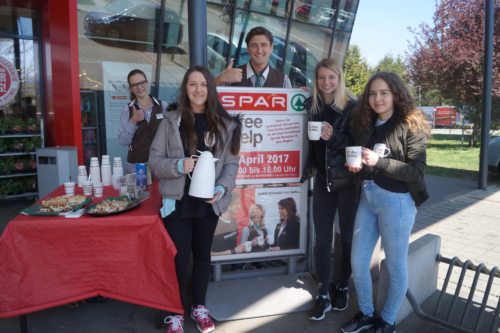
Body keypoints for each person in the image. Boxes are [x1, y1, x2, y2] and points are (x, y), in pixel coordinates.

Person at [149, 66, 242, 333]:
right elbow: (154, 162)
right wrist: (179, 166)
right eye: (193, 84)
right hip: (176, 201)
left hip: (209, 203)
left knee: (202, 256)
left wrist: (222, 189)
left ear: (210, 89)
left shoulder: (226, 124)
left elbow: (232, 165)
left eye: (203, 84)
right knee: (178, 258)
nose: (198, 89)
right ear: (185, 88)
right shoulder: (170, 121)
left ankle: (199, 306)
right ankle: (174, 311)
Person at [341, 72, 430, 333]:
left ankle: (387, 321)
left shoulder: (409, 125)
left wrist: (379, 162)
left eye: (383, 93)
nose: (377, 98)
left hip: (398, 202)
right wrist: (357, 168)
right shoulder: (365, 123)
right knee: (357, 261)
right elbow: (363, 160)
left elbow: (416, 172)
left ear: (395, 94)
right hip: (367, 198)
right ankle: (366, 313)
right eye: (372, 93)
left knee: (394, 264)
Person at [301, 58, 358, 321]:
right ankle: (323, 293)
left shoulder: (353, 106)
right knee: (322, 240)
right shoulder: (312, 105)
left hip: (346, 183)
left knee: (345, 239)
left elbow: (357, 145)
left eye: (331, 77)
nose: (326, 83)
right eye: (321, 78)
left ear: (340, 77)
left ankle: (342, 285)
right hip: (323, 181)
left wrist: (332, 136)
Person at [118, 69, 168, 174]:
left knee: (160, 190)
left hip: (160, 163)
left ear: (147, 83)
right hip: (136, 166)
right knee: (140, 191)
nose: (139, 87)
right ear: (131, 89)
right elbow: (123, 141)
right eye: (135, 85)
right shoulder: (127, 109)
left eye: (141, 83)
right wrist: (133, 121)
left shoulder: (163, 106)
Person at [215, 26, 292, 88]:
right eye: (254, 45)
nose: (259, 50)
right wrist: (222, 79)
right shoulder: (231, 74)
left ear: (271, 48)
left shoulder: (283, 80)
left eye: (264, 45)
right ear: (248, 49)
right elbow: (205, 93)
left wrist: (302, 93)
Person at [211, 189, 246, 256]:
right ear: (229, 205)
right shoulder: (214, 223)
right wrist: (233, 251)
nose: (239, 207)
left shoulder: (234, 222)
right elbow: (207, 253)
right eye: (237, 203)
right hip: (218, 264)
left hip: (233, 261)